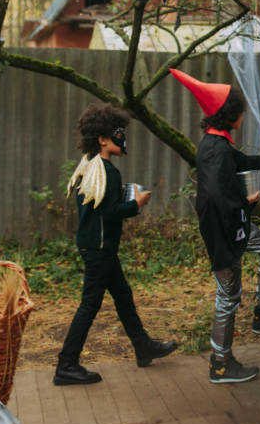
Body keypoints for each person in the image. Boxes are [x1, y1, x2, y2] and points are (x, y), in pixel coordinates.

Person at [169, 68, 260, 384]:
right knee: (228, 295)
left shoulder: (219, 145)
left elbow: (246, 165)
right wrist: (246, 202)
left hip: (235, 226)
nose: (243, 113)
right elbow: (213, 198)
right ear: (228, 114)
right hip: (224, 232)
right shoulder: (215, 150)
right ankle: (221, 364)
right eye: (239, 109)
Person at [55, 103, 179, 386]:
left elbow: (100, 211)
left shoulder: (89, 164)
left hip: (97, 245)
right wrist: (136, 203)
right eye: (119, 133)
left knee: (122, 296)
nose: (124, 139)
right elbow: (110, 213)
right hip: (99, 248)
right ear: (103, 138)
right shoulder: (107, 171)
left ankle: (143, 346)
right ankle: (66, 364)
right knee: (90, 305)